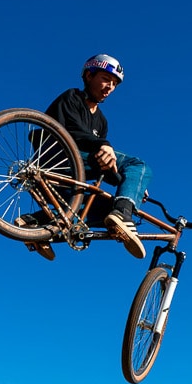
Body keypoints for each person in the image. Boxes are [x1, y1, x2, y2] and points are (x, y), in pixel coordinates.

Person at [40, 53, 150, 260]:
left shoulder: (101, 122)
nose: (110, 87)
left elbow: (103, 163)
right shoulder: (71, 97)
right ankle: (122, 214)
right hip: (57, 157)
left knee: (105, 206)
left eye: (115, 84)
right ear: (89, 76)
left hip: (76, 175)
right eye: (106, 79)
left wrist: (132, 183)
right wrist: (103, 144)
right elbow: (69, 129)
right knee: (139, 165)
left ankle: (34, 223)